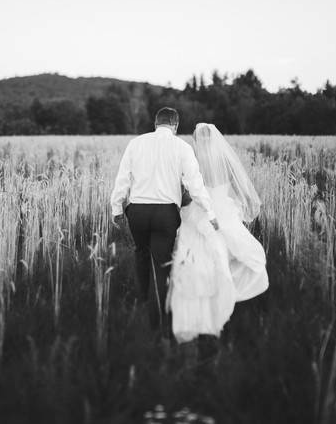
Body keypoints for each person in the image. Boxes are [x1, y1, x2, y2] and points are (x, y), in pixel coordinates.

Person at [110, 108, 218, 337]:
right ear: (176, 125)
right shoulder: (182, 148)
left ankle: (143, 299)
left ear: (155, 123)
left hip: (137, 211)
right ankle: (156, 318)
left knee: (141, 253)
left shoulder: (136, 144)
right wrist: (210, 212)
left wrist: (116, 207)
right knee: (161, 263)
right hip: (165, 214)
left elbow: (123, 178)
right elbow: (195, 184)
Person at [167, 123, 268, 344]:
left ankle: (194, 316)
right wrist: (239, 205)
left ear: (196, 139)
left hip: (199, 212)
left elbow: (187, 191)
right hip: (223, 210)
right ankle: (221, 307)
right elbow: (242, 187)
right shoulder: (225, 160)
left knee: (194, 260)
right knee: (223, 256)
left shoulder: (193, 160)